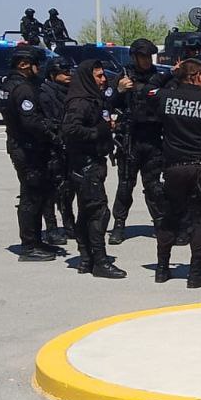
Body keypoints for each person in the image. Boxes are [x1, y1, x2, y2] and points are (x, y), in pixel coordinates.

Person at [154, 58, 201, 286]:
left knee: (170, 218)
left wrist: (169, 75)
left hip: (174, 167)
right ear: (196, 76)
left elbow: (144, 92)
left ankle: (162, 269)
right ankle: (195, 273)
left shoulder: (165, 97)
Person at [62, 60, 126, 278]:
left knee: (87, 212)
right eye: (98, 76)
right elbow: (71, 130)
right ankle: (98, 260)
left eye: (103, 75)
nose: (103, 79)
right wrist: (97, 132)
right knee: (99, 212)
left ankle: (87, 258)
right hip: (85, 165)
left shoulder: (94, 100)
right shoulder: (80, 102)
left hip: (94, 162)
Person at [0, 45, 60, 262]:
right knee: (31, 196)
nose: (39, 68)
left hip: (21, 146)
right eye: (36, 64)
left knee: (36, 194)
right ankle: (28, 245)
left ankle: (35, 240)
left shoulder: (8, 85)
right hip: (27, 149)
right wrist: (52, 133)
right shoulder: (23, 88)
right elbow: (31, 121)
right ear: (24, 64)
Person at [109, 39, 168, 245]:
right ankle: (119, 224)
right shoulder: (124, 76)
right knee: (125, 184)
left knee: (154, 186)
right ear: (134, 57)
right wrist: (119, 90)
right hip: (130, 138)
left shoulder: (159, 77)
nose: (146, 60)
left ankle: (160, 223)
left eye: (148, 57)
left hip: (153, 137)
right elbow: (108, 104)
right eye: (142, 57)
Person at [37, 56, 76, 246]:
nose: (68, 74)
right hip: (51, 148)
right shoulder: (45, 93)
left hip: (69, 146)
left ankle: (69, 224)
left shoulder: (70, 92)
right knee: (51, 190)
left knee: (67, 189)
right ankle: (51, 227)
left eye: (69, 71)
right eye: (64, 71)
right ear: (53, 74)